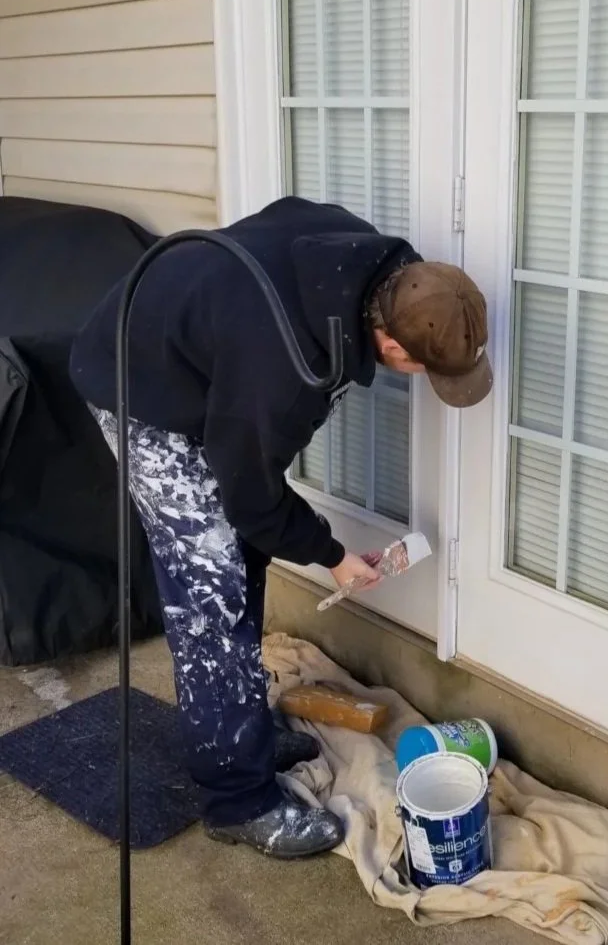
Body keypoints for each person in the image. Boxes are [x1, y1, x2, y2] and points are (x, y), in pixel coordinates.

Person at [70, 196, 492, 860]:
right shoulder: (287, 362)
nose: (427, 382)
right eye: (425, 368)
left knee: (243, 556)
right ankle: (237, 800)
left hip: (197, 353)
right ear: (387, 342)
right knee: (212, 589)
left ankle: (244, 734)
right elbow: (250, 494)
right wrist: (330, 555)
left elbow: (251, 485)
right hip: (136, 377)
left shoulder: (366, 257)